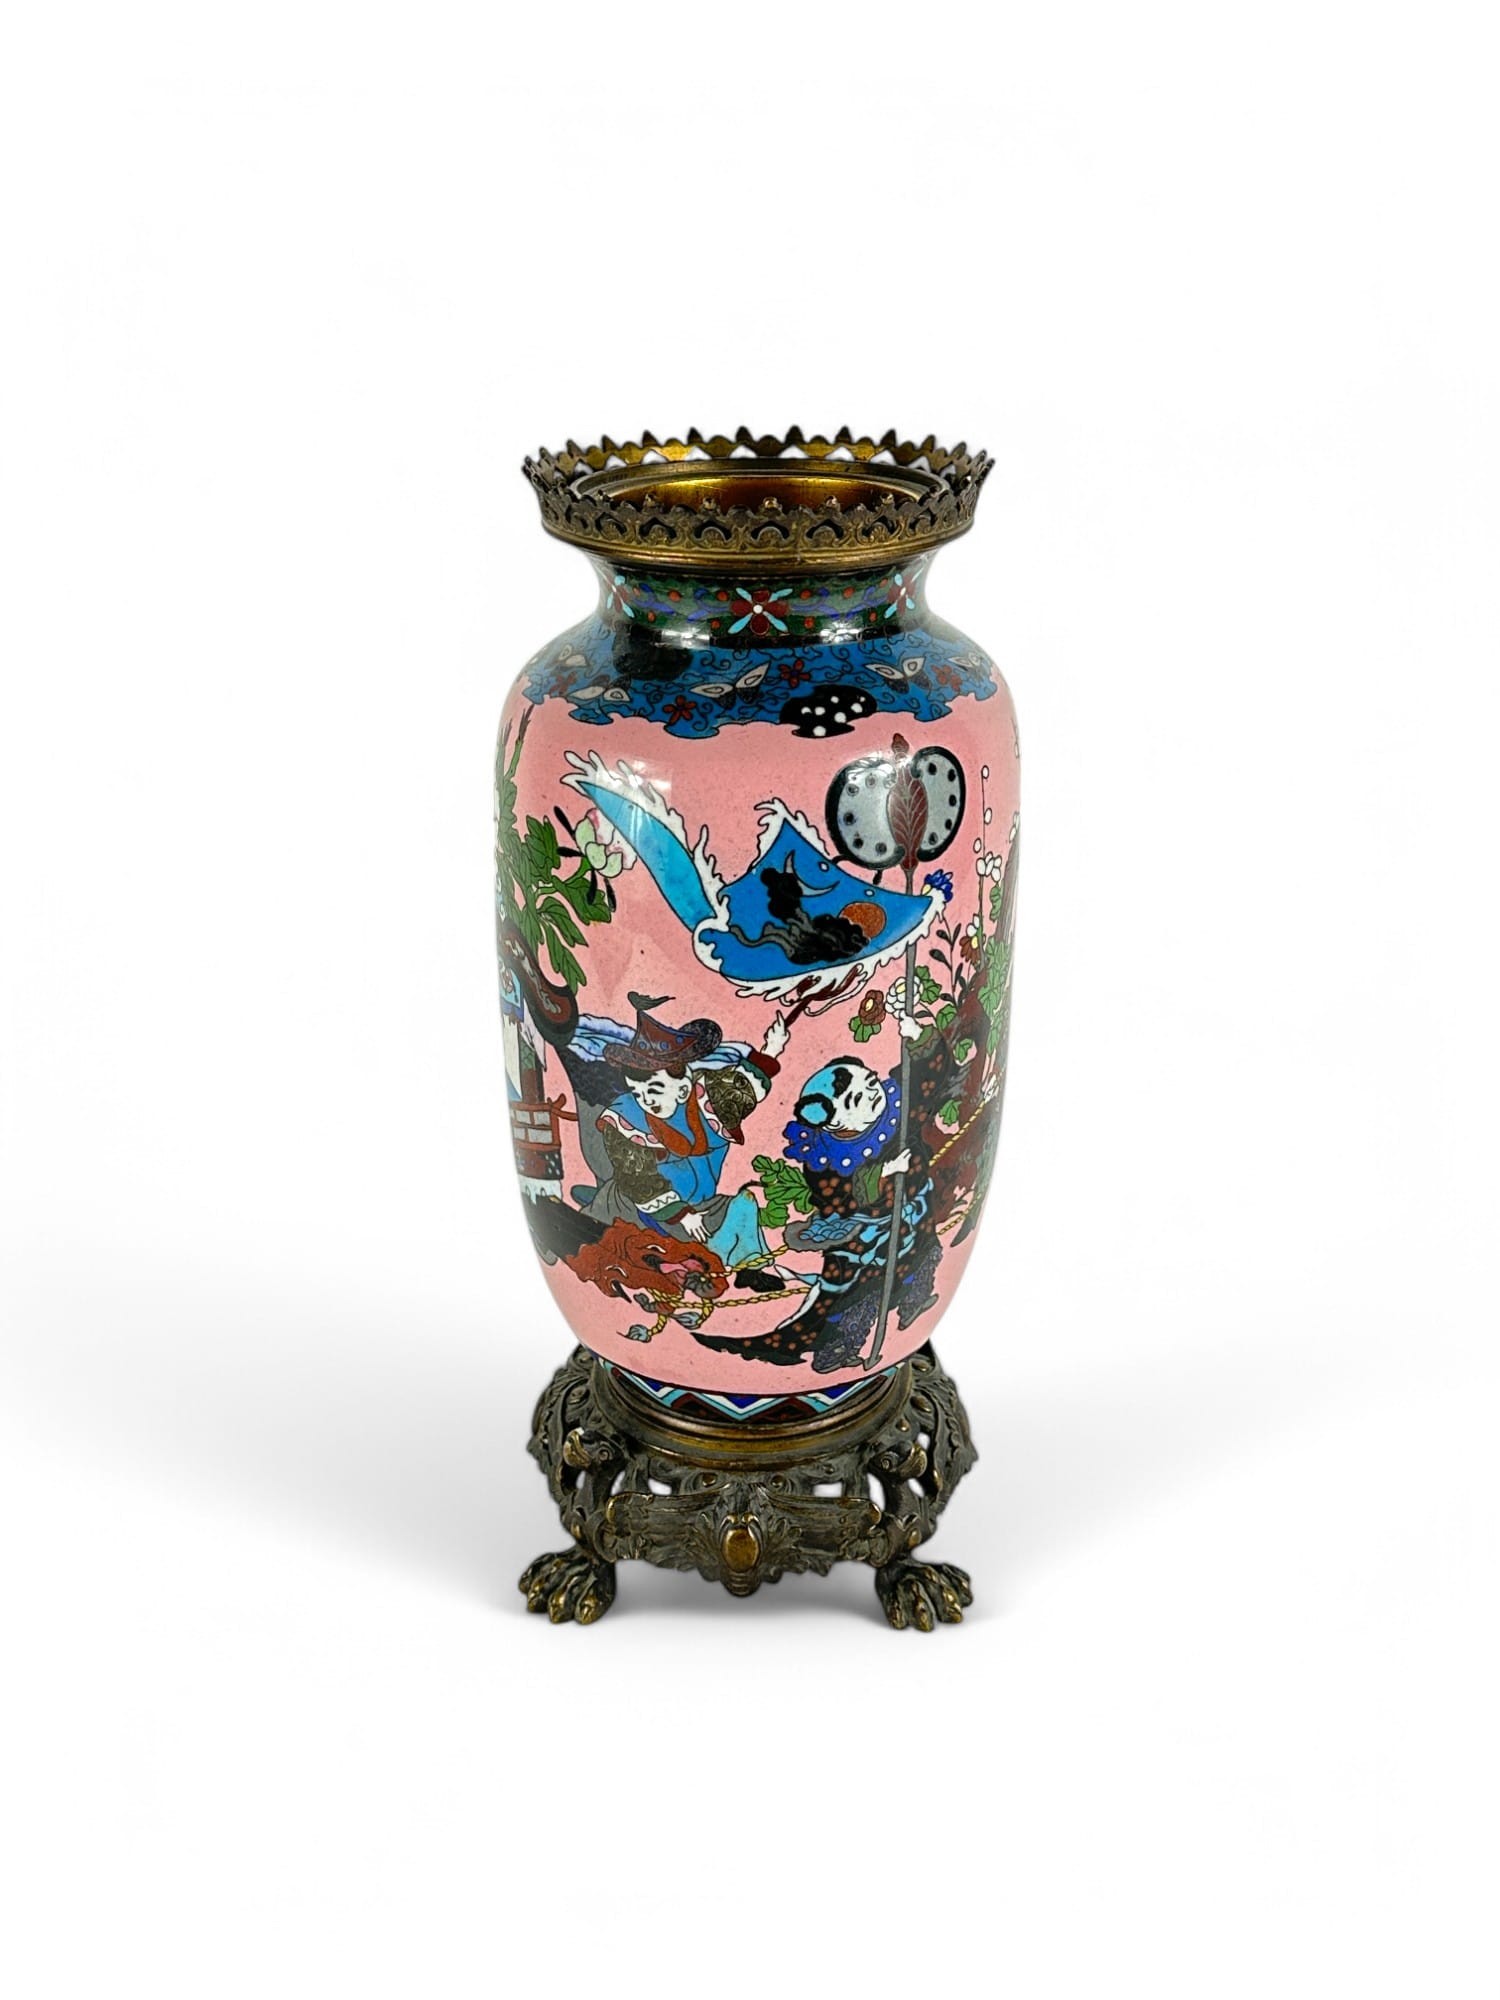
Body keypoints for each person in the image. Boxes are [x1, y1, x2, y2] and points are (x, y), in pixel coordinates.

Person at [697, 1016, 954, 1372]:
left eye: (870, 1082)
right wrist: (883, 1173)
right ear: (830, 1120)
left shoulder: (896, 1106)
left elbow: (930, 1083)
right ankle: (834, 1353)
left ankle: (914, 1305)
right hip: (862, 1244)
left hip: (914, 1215)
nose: (873, 1095)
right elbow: (840, 1201)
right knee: (856, 1301)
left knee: (924, 1258)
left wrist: (920, 1039)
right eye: (857, 1099)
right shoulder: (826, 1159)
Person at [589, 993, 791, 1291]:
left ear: (683, 1088)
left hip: (701, 1202)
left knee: (744, 1206)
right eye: (638, 1092)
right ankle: (709, 1270)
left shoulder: (706, 1102)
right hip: (648, 1207)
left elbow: (742, 1088)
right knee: (686, 1242)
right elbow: (637, 1180)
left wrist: (771, 1049)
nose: (646, 1101)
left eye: (655, 1090)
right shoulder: (625, 1120)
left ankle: (750, 1269)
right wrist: (681, 1215)